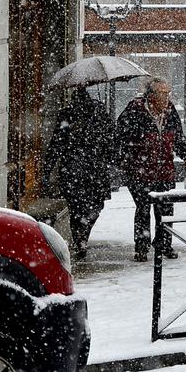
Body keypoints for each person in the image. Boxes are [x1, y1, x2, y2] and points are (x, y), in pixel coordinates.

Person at [118, 77, 186, 262]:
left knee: (166, 210)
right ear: (151, 95)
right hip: (140, 172)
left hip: (164, 170)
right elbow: (120, 135)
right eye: (162, 93)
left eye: (167, 93)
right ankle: (142, 248)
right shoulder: (135, 110)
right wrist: (128, 155)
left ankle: (164, 245)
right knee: (143, 209)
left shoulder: (170, 111)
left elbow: (177, 136)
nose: (166, 97)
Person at [43, 87, 114, 259]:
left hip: (78, 169)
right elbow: (111, 139)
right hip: (87, 170)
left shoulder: (91, 114)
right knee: (89, 207)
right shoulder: (90, 113)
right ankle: (82, 236)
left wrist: (47, 168)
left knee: (79, 208)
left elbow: (57, 143)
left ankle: (80, 237)